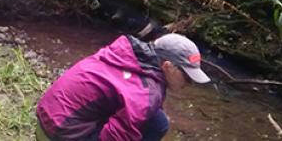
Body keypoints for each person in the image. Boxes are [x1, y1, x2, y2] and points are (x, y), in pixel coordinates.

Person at [35, 33, 211, 141]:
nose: (189, 83)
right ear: (168, 66)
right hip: (58, 135)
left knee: (155, 118)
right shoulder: (147, 93)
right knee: (157, 124)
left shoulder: (125, 53)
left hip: (45, 120)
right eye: (187, 76)